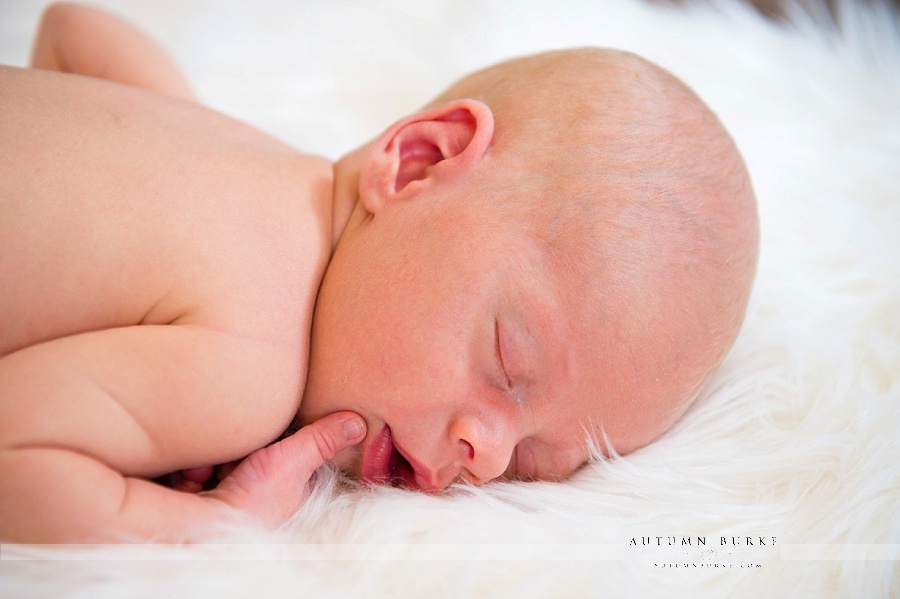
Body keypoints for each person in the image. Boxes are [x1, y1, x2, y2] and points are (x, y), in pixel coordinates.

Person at [0, 3, 758, 543]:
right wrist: (206, 526)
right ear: (418, 163)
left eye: (532, 462)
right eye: (507, 364)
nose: (487, 457)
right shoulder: (248, 364)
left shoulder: (234, 150)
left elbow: (73, 25)